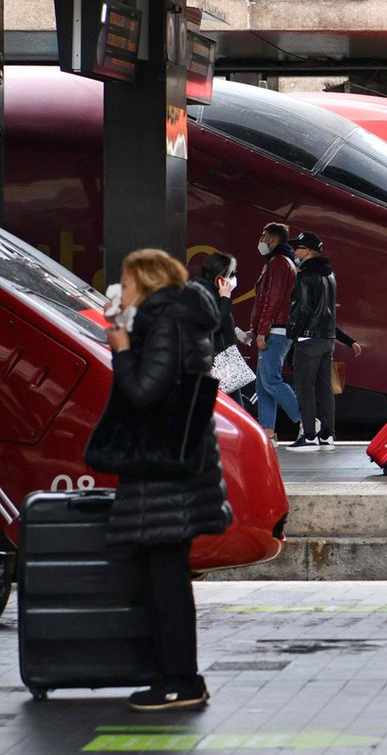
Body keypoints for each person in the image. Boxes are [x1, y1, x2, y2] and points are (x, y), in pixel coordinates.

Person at [97, 249, 232, 711]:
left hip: (164, 468)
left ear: (146, 284)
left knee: (166, 575)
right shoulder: (179, 318)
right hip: (176, 463)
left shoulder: (166, 323)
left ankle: (179, 680)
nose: (123, 289)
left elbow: (144, 392)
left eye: (127, 282)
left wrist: (120, 348)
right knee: (164, 571)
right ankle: (176, 675)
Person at [285, 232, 363, 450]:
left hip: (308, 339)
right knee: (324, 388)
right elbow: (328, 312)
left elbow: (302, 309)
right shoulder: (330, 276)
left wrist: (292, 335)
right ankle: (327, 435)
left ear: (307, 251)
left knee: (305, 387)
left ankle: (309, 434)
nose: (294, 253)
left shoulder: (304, 276)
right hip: (327, 340)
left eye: (298, 249)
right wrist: (346, 340)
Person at [248, 223, 301, 445]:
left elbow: (273, 298)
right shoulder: (280, 261)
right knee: (263, 384)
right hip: (275, 328)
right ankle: (267, 432)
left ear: (271, 238)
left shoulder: (279, 263)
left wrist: (262, 330)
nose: (260, 239)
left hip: (276, 330)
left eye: (263, 235)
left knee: (270, 380)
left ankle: (307, 420)